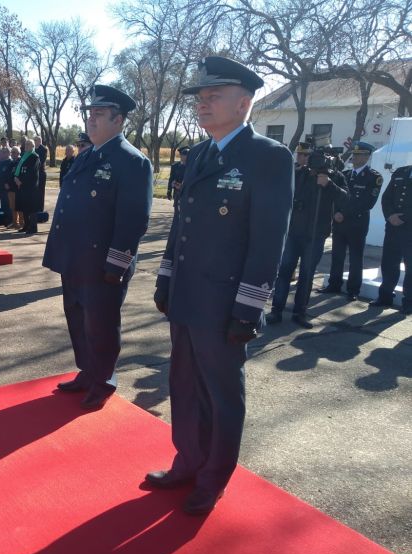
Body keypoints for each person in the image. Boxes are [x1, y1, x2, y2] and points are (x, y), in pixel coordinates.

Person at [149, 57, 293, 515]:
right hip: (189, 294)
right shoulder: (200, 154)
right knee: (185, 385)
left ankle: (213, 479)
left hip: (226, 302)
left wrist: (248, 309)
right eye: (200, 97)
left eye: (214, 96)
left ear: (245, 102)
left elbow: (269, 240)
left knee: (222, 393)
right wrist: (166, 277)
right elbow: (181, 226)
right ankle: (188, 461)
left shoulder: (268, 157)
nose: (202, 103)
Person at [43, 84, 153, 411]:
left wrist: (116, 265)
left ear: (118, 121)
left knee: (101, 324)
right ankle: (87, 371)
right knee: (77, 318)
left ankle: (104, 380)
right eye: (90, 114)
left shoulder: (132, 161)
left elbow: (133, 220)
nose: (91, 121)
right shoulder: (88, 155)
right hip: (74, 258)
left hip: (102, 263)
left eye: (99, 115)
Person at [267, 143, 347, 328]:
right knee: (284, 271)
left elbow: (346, 199)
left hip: (316, 235)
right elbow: (283, 195)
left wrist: (329, 185)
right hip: (294, 233)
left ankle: (300, 312)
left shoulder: (335, 177)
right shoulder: (299, 174)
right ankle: (276, 310)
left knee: (307, 274)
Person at [319, 142, 383, 301]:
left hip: (357, 223)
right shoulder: (345, 175)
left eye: (358, 154)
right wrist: (336, 213)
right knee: (337, 255)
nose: (354, 157)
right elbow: (335, 196)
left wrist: (343, 214)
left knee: (355, 258)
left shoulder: (374, 177)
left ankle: (353, 289)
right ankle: (334, 284)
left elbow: (367, 203)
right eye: (353, 154)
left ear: (366, 157)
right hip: (340, 222)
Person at [369, 164, 412, 314]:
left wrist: (404, 218)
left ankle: (409, 302)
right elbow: (386, 197)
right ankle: (385, 296)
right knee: (389, 262)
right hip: (393, 227)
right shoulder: (402, 171)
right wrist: (390, 215)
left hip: (410, 228)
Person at [13, 138, 40, 235]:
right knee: (24, 207)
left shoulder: (35, 157)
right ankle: (26, 225)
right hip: (22, 186)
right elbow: (19, 169)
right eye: (26, 144)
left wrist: (21, 181)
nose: (27, 146)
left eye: (29, 145)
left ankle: (33, 228)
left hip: (30, 186)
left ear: (33, 146)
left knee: (31, 208)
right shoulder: (24, 156)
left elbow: (31, 172)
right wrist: (16, 178)